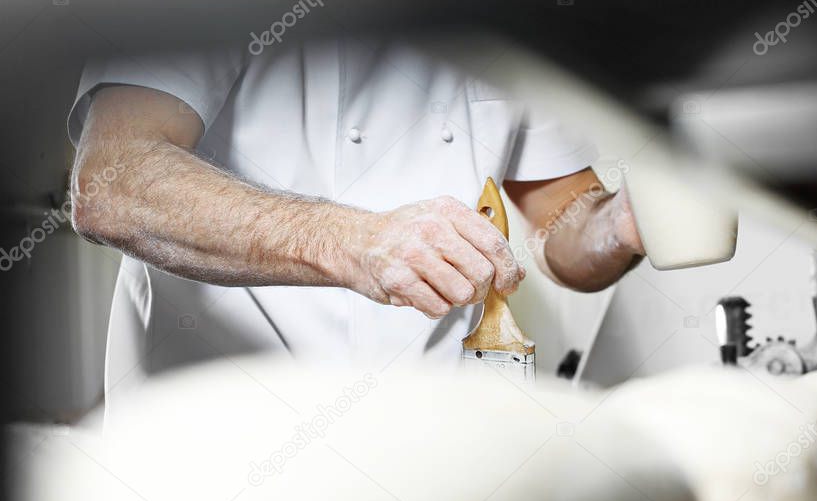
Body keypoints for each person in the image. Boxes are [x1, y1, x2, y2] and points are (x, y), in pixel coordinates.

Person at [67, 38, 645, 404]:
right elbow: (115, 182)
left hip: (431, 440)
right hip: (227, 439)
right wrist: (356, 242)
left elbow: (561, 227)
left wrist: (621, 225)